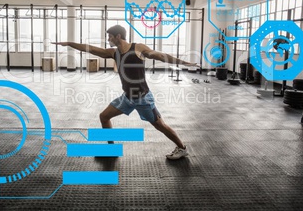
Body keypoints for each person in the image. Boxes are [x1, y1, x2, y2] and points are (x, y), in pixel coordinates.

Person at [53, 25, 198, 160]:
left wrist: (184, 63)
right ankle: (111, 149)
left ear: (118, 36)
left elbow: (161, 56)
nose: (108, 39)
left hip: (143, 99)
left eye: (110, 36)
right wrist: (69, 43)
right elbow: (89, 49)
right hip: (126, 98)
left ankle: (182, 148)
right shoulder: (113, 53)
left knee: (160, 125)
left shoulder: (138, 48)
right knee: (104, 116)